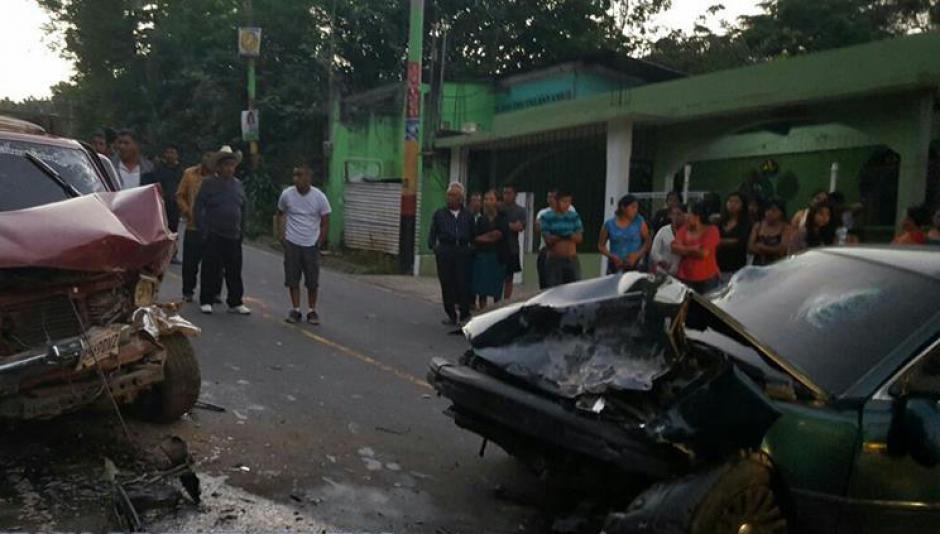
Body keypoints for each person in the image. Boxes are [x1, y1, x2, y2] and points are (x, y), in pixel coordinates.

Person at [195, 146, 250, 315]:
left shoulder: (238, 185)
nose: (230, 168)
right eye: (226, 165)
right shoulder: (208, 183)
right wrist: (203, 230)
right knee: (210, 268)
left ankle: (235, 302)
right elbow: (199, 207)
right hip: (213, 233)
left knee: (234, 270)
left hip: (233, 234)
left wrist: (242, 230)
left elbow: (243, 208)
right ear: (218, 167)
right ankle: (206, 300)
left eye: (232, 165)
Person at [275, 162, 332, 325]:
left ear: (308, 177)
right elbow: (280, 213)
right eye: (294, 175)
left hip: (310, 242)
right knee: (293, 278)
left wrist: (320, 240)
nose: (296, 179)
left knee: (312, 280)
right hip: (292, 241)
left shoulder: (319, 197)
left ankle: (312, 310)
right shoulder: (287, 194)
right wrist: (281, 235)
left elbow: (325, 220)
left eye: (300, 175)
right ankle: (296, 309)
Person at [428, 182, 475, 326]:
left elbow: (473, 234)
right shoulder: (439, 214)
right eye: (449, 195)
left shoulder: (467, 215)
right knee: (447, 284)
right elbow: (432, 235)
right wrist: (435, 248)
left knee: (463, 284)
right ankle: (451, 314)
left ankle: (465, 314)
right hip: (445, 251)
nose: (450, 198)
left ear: (460, 198)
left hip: (462, 252)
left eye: (454, 195)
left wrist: (470, 249)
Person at [176, 152, 214, 302]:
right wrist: (187, 211)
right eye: (206, 157)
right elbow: (180, 195)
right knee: (190, 263)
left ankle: (211, 293)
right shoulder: (190, 174)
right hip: (193, 225)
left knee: (211, 264)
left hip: (211, 226)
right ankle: (188, 291)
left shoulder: (216, 178)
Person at [143, 143, 184, 262]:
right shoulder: (159, 169)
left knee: (173, 230)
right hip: (161, 203)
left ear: (177, 155)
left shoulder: (181, 171)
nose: (169, 155)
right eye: (168, 152)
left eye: (172, 152)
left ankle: (173, 254)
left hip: (175, 204)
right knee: (160, 229)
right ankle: (158, 254)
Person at [672, 201, 720, 293]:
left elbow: (703, 254)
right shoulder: (684, 229)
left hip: (707, 278)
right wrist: (694, 249)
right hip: (685, 277)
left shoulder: (712, 230)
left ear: (697, 216)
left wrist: (684, 249)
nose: (686, 216)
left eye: (689, 214)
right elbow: (674, 248)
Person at [473, 190, 510, 309]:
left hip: (497, 257)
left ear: (496, 202)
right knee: (482, 290)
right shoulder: (480, 220)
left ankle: (496, 314)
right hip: (482, 257)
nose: (488, 202)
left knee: (496, 291)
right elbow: (475, 238)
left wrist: (484, 238)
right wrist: (487, 237)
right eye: (486, 199)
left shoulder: (502, 218)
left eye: (491, 199)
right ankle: (482, 313)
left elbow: (498, 235)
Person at [539, 190, 584, 287]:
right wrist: (564, 235)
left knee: (575, 288)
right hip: (555, 260)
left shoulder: (574, 216)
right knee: (553, 289)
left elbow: (579, 238)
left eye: (569, 202)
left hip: (571, 258)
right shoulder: (546, 217)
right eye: (564, 202)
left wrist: (566, 235)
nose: (567, 205)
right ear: (556, 201)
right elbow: (548, 240)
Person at [598, 194, 650, 274]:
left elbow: (647, 242)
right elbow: (601, 246)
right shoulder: (609, 224)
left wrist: (637, 255)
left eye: (636, 208)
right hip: (616, 265)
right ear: (623, 208)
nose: (635, 210)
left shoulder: (639, 221)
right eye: (632, 207)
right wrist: (612, 256)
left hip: (635, 264)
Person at [716, 192, 751, 277]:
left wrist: (720, 241)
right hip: (718, 265)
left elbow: (740, 241)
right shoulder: (720, 222)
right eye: (730, 201)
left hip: (736, 265)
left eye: (736, 202)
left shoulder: (746, 223)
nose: (732, 204)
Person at [501, 185, 526, 300]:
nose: (506, 195)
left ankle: (506, 300)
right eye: (505, 193)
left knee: (509, 277)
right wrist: (510, 225)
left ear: (515, 194)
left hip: (512, 247)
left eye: (509, 193)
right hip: (498, 247)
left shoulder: (520, 210)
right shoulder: (499, 208)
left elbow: (519, 227)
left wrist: (506, 226)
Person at [749, 197, 792, 266]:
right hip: (758, 266)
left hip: (778, 265)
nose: (769, 213)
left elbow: (782, 250)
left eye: (774, 211)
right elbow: (750, 248)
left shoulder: (786, 228)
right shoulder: (758, 226)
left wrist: (762, 248)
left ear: (781, 213)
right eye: (767, 210)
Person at [650, 204, 685, 276]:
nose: (676, 217)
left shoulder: (689, 232)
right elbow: (654, 251)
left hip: (682, 274)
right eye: (673, 214)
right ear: (670, 216)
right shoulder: (663, 231)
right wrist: (661, 261)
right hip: (662, 272)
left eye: (679, 214)